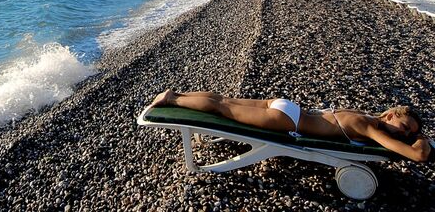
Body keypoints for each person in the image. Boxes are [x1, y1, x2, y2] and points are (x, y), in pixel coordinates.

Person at [150, 90, 432, 162]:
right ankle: (173, 100)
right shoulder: (370, 127)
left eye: (406, 133)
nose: (402, 134)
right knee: (221, 107)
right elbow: (418, 155)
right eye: (405, 127)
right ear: (391, 116)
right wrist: (423, 141)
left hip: (289, 107)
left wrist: (414, 134)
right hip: (288, 120)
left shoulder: (366, 116)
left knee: (223, 100)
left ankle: (176, 96)